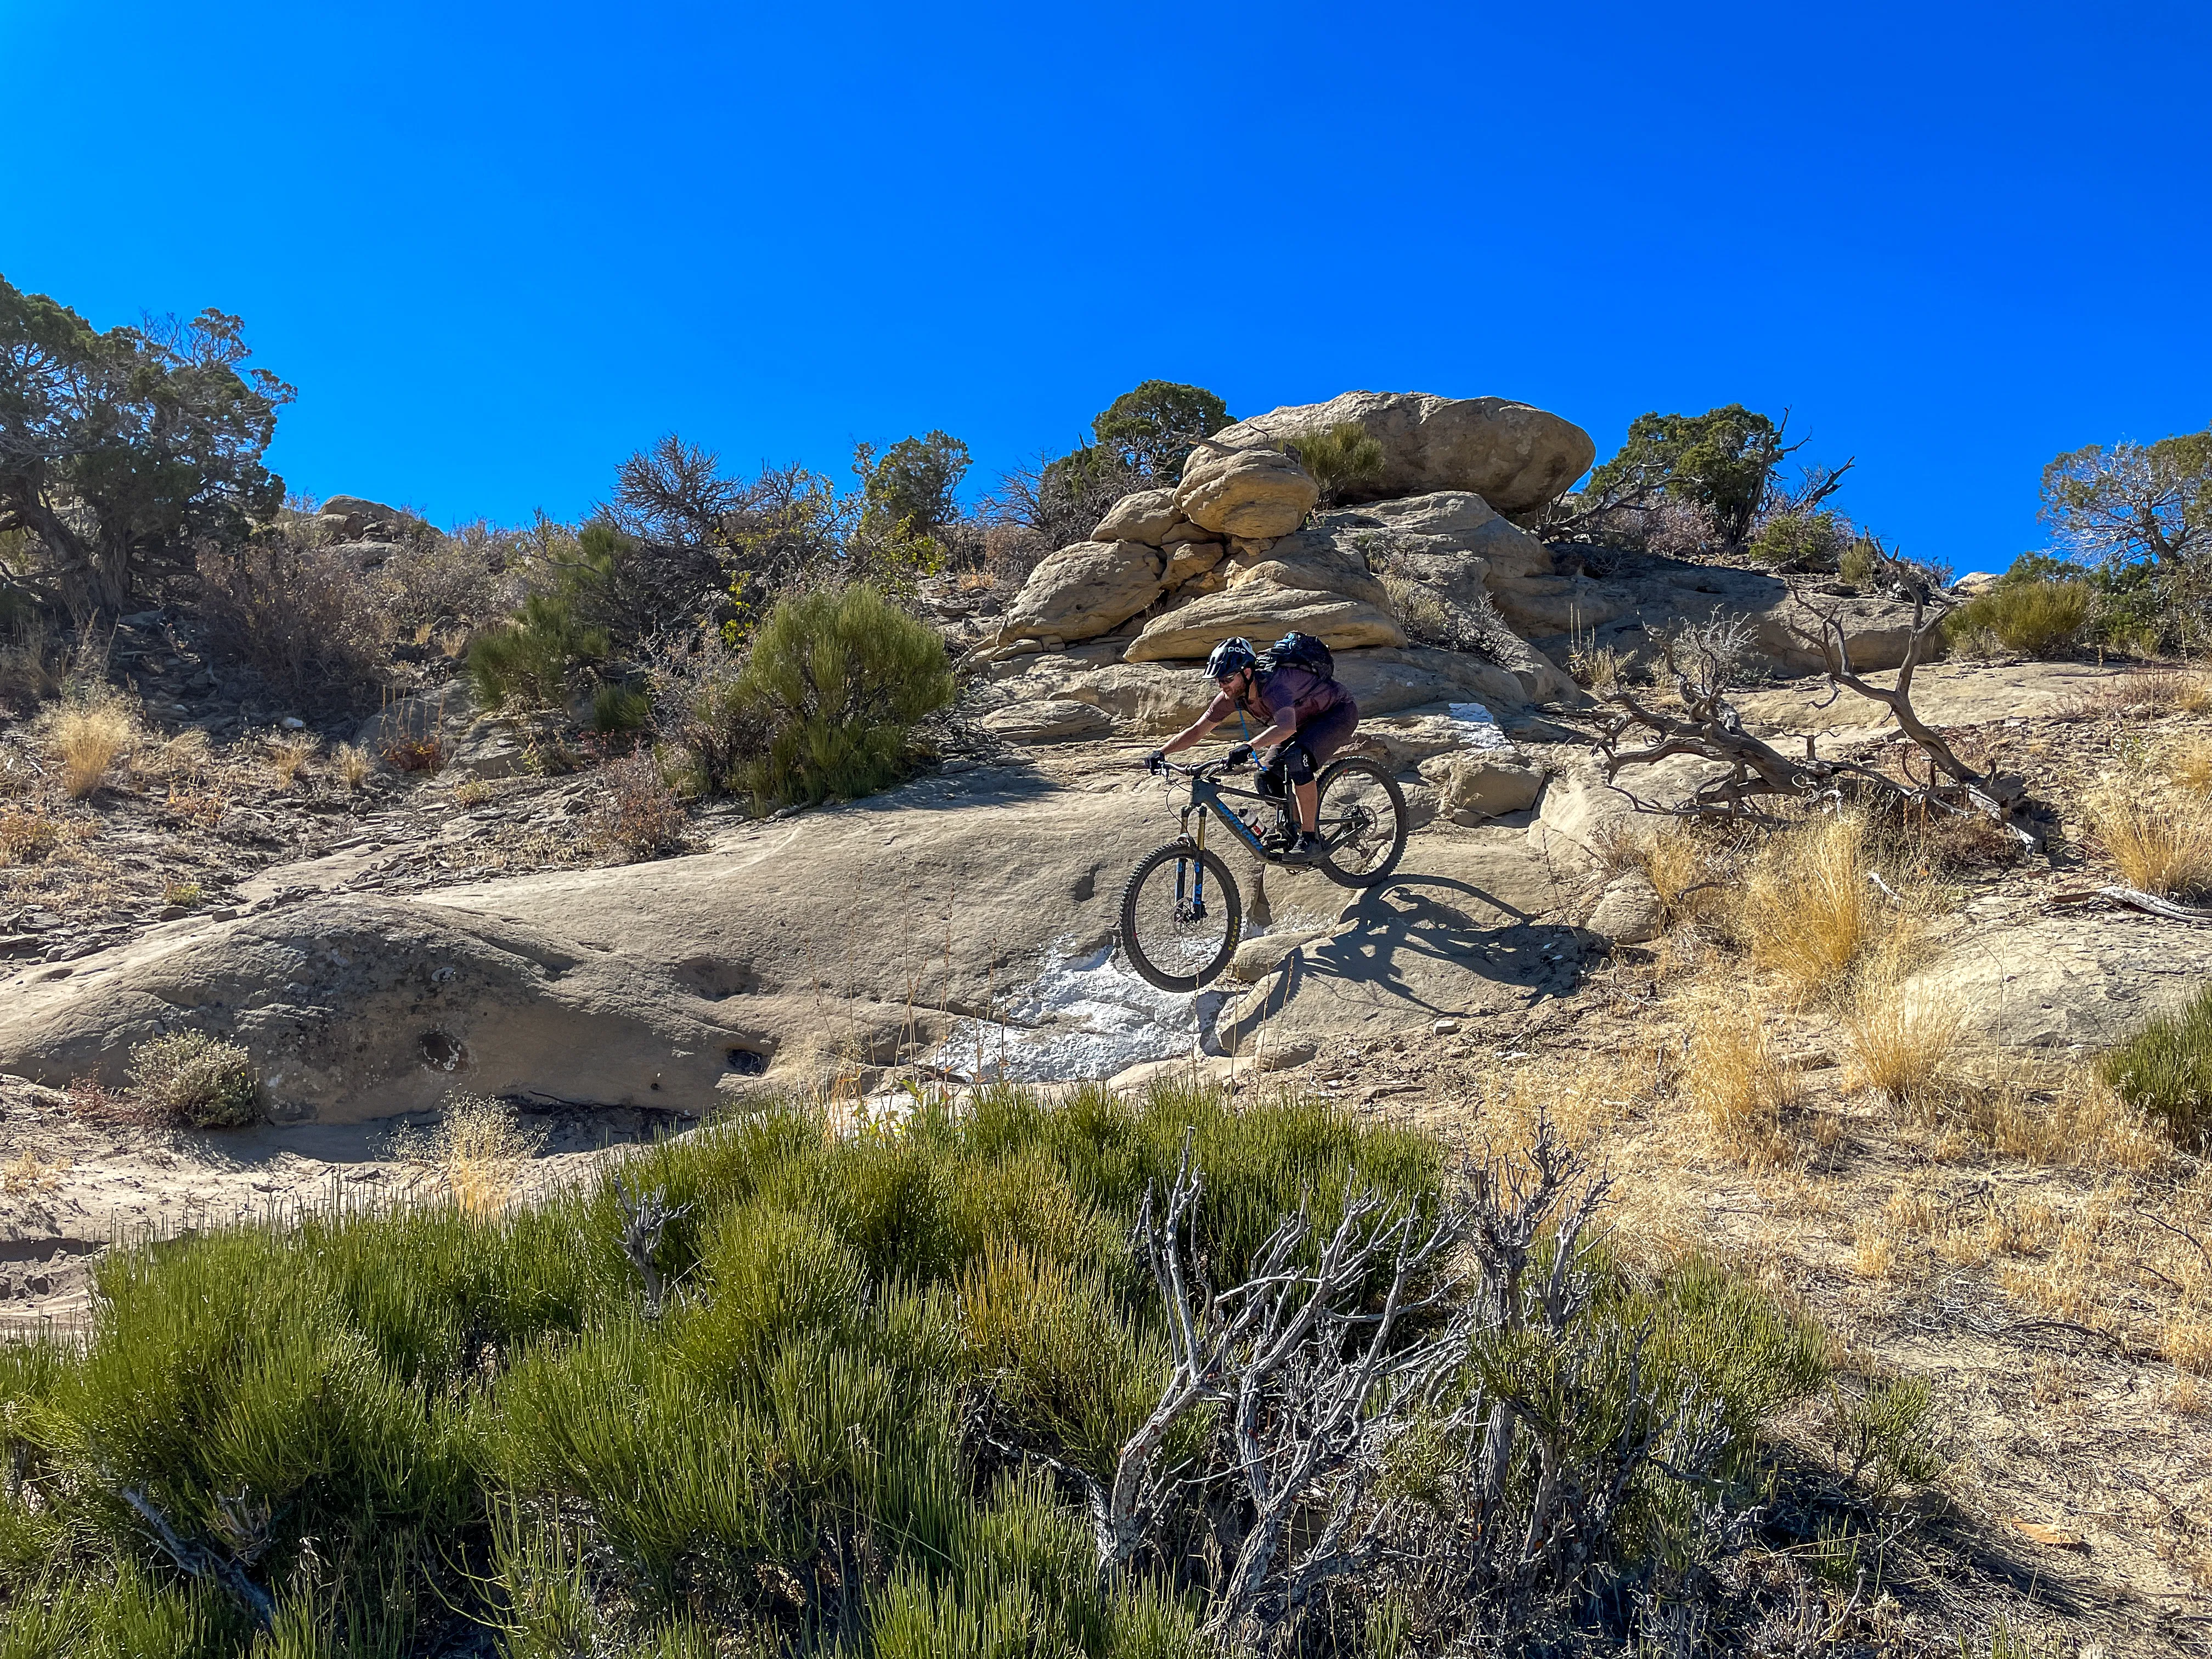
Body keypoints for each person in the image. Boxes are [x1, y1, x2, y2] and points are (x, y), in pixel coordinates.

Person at [1145, 636, 1359, 865]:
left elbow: (1285, 727)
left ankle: (1310, 839)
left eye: (1228, 678)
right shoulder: (1232, 695)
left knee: (1298, 759)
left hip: (1336, 713)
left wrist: (1249, 747)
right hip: (1301, 722)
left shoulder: (1274, 685)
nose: (1223, 685)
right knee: (1266, 778)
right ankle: (1295, 834)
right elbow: (1198, 730)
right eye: (1219, 680)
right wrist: (1162, 752)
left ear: (1247, 673)